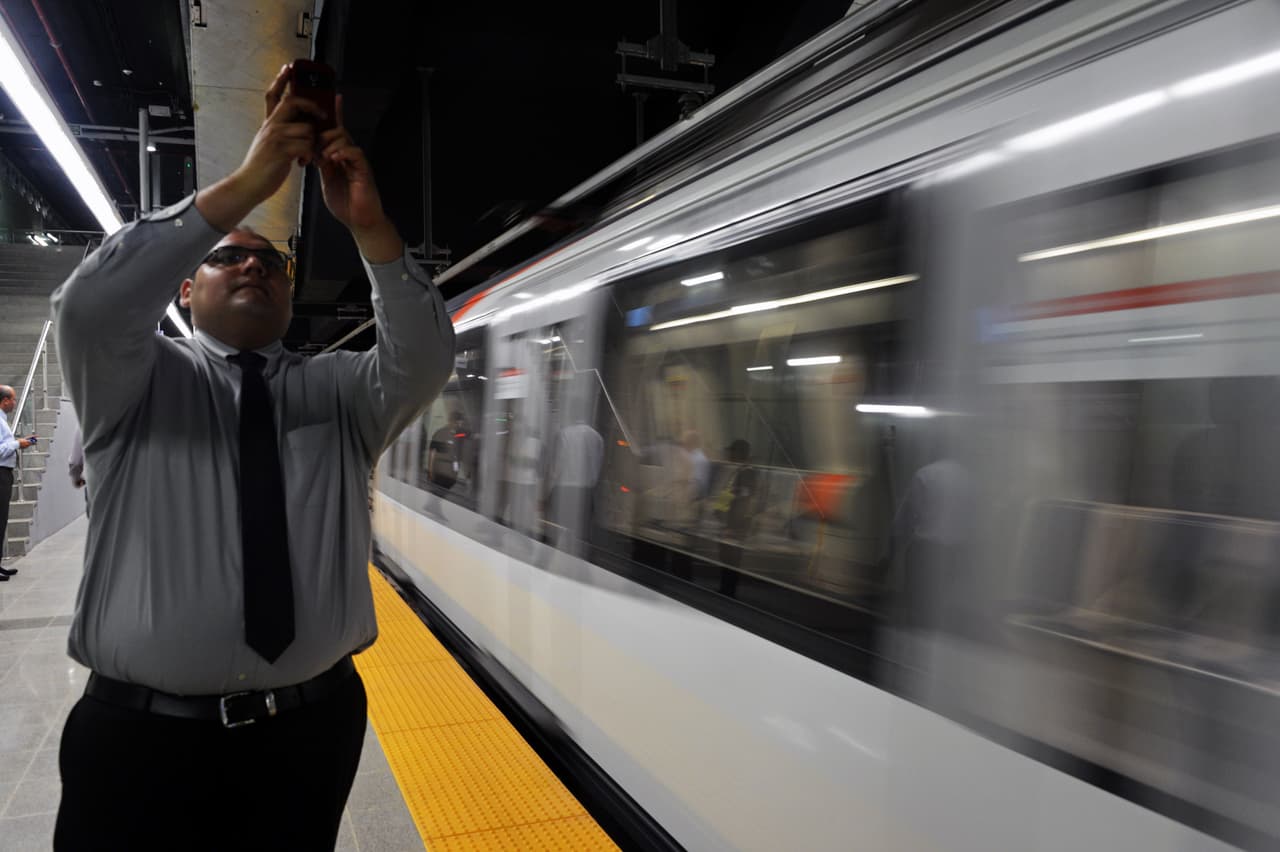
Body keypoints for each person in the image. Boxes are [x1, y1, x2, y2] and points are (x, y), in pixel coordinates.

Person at [49, 66, 454, 851]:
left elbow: (425, 360)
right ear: (184, 292)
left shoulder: (339, 392)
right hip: (140, 741)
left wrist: (370, 229)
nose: (253, 267)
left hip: (309, 733)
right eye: (228, 258)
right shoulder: (131, 382)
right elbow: (92, 305)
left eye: (271, 264)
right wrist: (246, 184)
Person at [0, 385, 37, 577]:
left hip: (5, 473)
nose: (15, 403)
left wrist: (21, 442)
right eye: (13, 399)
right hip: (0, 473)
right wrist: (17, 443)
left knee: (2, 519)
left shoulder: (3, 421)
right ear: (5, 400)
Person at [427, 409, 466, 490]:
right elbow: (432, 452)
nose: (458, 425)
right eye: (457, 423)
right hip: (440, 472)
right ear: (450, 421)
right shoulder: (440, 433)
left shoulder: (457, 435)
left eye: (460, 424)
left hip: (451, 473)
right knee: (437, 495)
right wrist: (430, 471)